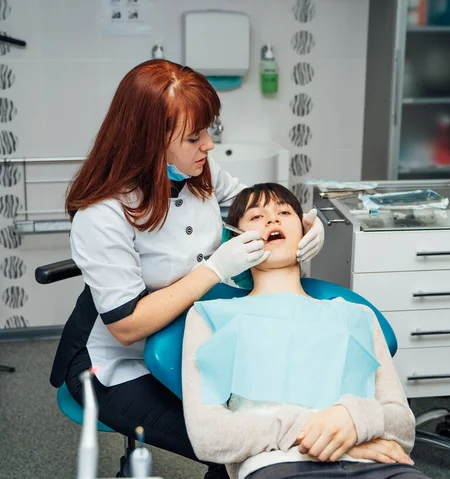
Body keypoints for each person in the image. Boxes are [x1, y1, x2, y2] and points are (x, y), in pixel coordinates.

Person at [49, 60, 324, 479]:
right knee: (232, 445)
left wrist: (298, 220)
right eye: (194, 137)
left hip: (189, 341)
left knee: (260, 425)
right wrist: (214, 270)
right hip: (114, 365)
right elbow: (126, 325)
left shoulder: (199, 173)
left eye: (209, 130)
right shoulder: (102, 214)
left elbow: (250, 204)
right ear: (148, 142)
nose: (209, 145)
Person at [182, 183, 430, 479]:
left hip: (379, 465)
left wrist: (351, 422)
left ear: (306, 231)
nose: (272, 220)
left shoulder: (357, 315)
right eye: (256, 217)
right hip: (281, 465)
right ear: (234, 239)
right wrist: (338, 433)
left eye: (284, 212)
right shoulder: (210, 317)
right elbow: (209, 436)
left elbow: (403, 426)